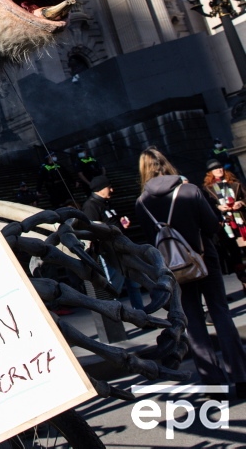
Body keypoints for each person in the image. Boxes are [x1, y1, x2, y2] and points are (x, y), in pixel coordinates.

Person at [135, 147, 246, 393]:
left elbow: (149, 239)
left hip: (173, 266)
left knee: (193, 323)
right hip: (204, 258)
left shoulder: (142, 203)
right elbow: (211, 226)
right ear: (166, 163)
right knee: (220, 313)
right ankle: (240, 376)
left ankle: (213, 385)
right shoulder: (189, 190)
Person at [82, 175, 143, 311]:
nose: (112, 190)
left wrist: (121, 225)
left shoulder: (107, 203)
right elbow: (91, 229)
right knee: (114, 285)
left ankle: (140, 313)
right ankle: (114, 319)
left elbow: (110, 223)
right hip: (109, 252)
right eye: (109, 187)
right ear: (100, 189)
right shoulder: (91, 206)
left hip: (122, 248)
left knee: (134, 284)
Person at [202, 158, 246, 292]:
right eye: (215, 169)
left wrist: (241, 203)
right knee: (235, 254)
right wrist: (218, 207)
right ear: (210, 173)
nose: (219, 170)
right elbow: (207, 206)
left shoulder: (234, 183)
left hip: (241, 221)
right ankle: (244, 280)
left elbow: (245, 197)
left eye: (220, 167)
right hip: (226, 226)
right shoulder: (207, 189)